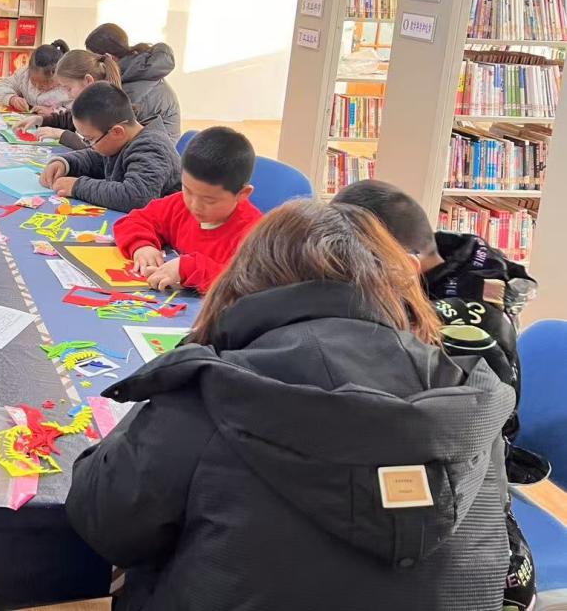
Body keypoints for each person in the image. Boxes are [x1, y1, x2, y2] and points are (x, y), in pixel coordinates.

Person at [67, 201, 515, 611]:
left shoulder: (210, 392)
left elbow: (103, 521)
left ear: (244, 278)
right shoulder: (471, 398)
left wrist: (178, 370)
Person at [333, 178, 541, 611]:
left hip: (459, 497)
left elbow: (431, 435)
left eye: (346, 260)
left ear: (398, 263)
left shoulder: (467, 325)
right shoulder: (440, 266)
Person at [112, 126, 261, 292]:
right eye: (187, 190)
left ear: (242, 194)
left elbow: (249, 283)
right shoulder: (179, 204)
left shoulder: (255, 235)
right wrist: (141, 245)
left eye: (209, 200)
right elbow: (135, 220)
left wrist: (188, 268)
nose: (194, 205)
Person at [37, 82, 180, 212]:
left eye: (90, 139)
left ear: (117, 132)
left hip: (165, 229)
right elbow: (96, 158)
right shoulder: (122, 140)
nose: (89, 145)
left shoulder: (152, 148)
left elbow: (135, 197)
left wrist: (77, 186)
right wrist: (65, 163)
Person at [14, 49, 167, 148]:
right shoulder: (96, 106)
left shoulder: (110, 112)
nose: (67, 94)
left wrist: (60, 134)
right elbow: (71, 120)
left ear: (88, 81)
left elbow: (95, 149)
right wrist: (41, 120)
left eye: (68, 88)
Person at [84, 22, 181, 140]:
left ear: (109, 57)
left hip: (154, 149)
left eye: (94, 59)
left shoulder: (134, 89)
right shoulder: (133, 72)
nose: (92, 66)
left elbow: (110, 136)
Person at [0, 40, 70, 112]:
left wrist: (54, 113)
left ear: (60, 75)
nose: (38, 86)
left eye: (45, 83)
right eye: (33, 81)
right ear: (29, 69)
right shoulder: (23, 75)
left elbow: (74, 113)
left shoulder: (68, 87)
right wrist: (12, 99)